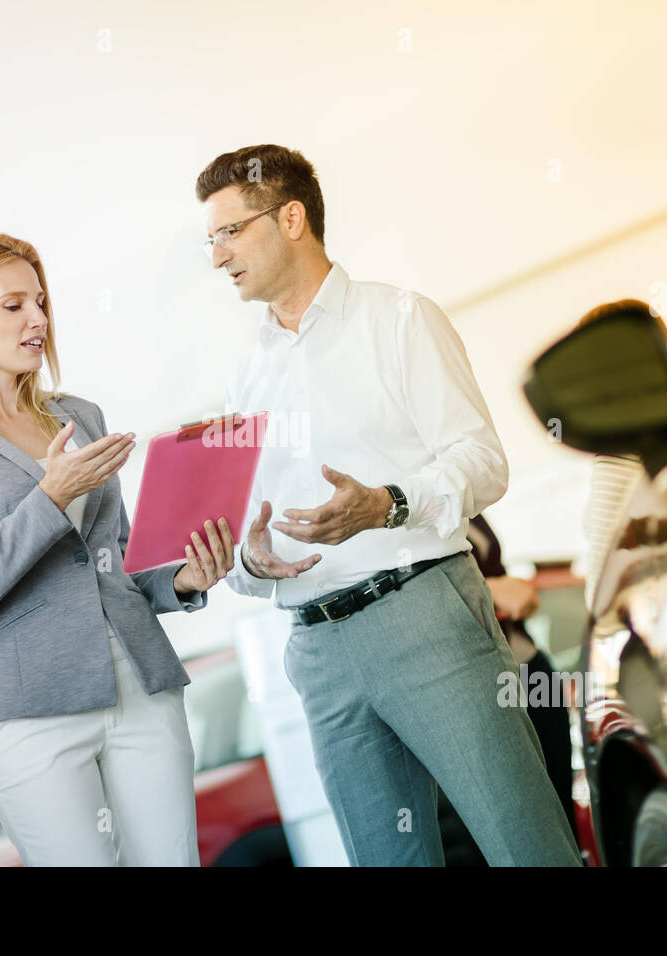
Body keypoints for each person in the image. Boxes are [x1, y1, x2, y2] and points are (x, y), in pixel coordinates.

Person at [196, 144, 581, 866]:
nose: (217, 257)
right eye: (209, 239)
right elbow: (246, 563)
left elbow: (482, 461)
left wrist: (389, 504)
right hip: (314, 646)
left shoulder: (398, 320)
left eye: (229, 232)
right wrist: (249, 559)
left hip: (422, 616)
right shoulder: (247, 380)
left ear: (291, 218)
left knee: (527, 846)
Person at [0, 233, 235, 866]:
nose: (39, 321)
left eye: (42, 303)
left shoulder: (80, 414)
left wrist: (183, 580)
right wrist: (48, 498)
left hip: (143, 687)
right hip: (31, 712)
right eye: (15, 305)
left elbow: (121, 564)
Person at [466, 515, 578, 841]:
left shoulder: (459, 493)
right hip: (484, 684)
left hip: (529, 665)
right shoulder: (396, 509)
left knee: (562, 815)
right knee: (524, 826)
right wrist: (490, 591)